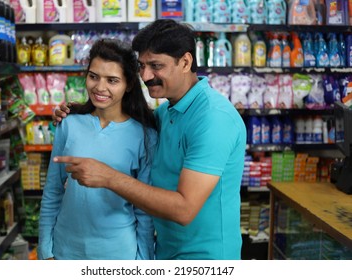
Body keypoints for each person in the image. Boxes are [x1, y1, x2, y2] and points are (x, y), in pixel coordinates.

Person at [53, 19, 247, 260]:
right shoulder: (166, 113)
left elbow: (184, 209)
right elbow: (124, 124)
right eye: (142, 66)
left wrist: (109, 177)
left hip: (206, 258)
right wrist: (81, 112)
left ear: (185, 62)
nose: (146, 76)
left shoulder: (213, 119)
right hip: (165, 251)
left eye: (156, 66)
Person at [38, 39, 157, 260]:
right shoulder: (68, 124)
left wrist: (144, 260)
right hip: (66, 249)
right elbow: (53, 191)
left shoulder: (144, 135)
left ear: (129, 84)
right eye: (93, 76)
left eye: (112, 80)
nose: (100, 88)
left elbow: (144, 209)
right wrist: (46, 251)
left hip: (119, 254)